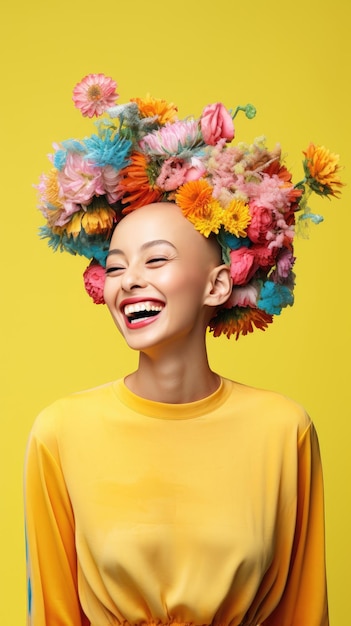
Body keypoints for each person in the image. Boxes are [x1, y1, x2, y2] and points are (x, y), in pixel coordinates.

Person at [24, 73, 343, 626]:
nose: (128, 281)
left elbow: (304, 612)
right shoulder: (60, 433)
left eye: (156, 259)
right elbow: (52, 614)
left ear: (218, 286)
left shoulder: (283, 430)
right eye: (116, 266)